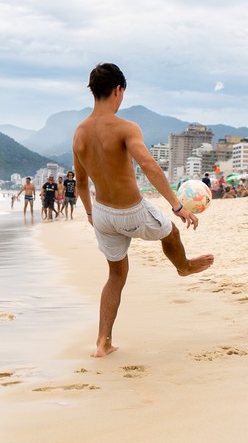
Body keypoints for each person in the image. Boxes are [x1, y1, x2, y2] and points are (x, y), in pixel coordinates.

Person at [72, 63, 214, 358]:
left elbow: (82, 185)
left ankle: (103, 342)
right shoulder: (125, 127)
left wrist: (90, 215)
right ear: (118, 90)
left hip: (102, 214)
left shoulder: (79, 134)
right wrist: (177, 207)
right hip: (131, 211)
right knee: (171, 232)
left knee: (116, 275)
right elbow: (149, 166)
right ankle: (183, 267)